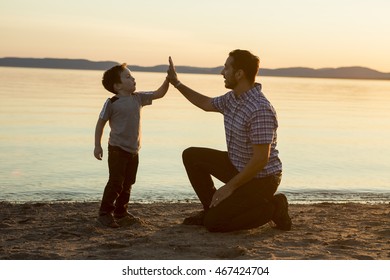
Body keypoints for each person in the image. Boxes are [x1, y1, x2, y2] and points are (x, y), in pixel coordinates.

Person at [167, 50, 292, 232]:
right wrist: (177, 83)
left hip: (262, 179)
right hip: (238, 165)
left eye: (226, 67)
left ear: (239, 74)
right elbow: (205, 103)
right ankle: (211, 208)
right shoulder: (232, 99)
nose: (222, 72)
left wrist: (228, 188)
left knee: (215, 224)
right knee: (191, 155)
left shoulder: (260, 109)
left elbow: (260, 160)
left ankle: (274, 207)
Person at [94, 63, 169, 228]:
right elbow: (100, 124)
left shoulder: (138, 98)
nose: (133, 78)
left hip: (133, 150)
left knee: (128, 183)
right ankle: (104, 213)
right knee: (116, 182)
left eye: (132, 76)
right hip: (117, 149)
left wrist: (168, 79)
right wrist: (97, 146)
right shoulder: (112, 102)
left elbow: (159, 93)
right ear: (117, 86)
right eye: (127, 77)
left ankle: (121, 212)